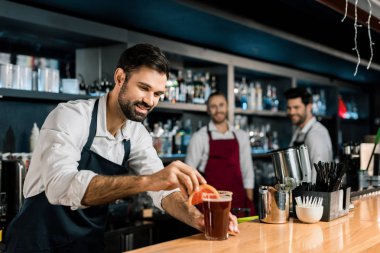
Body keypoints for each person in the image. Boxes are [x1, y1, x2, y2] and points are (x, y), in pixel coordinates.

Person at [4, 44, 239, 253]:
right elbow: (59, 186)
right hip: (35, 244)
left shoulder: (136, 134)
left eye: (158, 94)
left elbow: (164, 192)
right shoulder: (70, 116)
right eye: (143, 88)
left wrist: (197, 218)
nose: (150, 101)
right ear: (119, 77)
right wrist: (149, 181)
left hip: (87, 244)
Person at [185, 92, 255, 216]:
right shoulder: (199, 137)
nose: (218, 110)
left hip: (237, 200)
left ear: (227, 107)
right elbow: (188, 172)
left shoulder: (241, 135)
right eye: (213, 106)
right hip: (211, 201)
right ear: (208, 110)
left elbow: (247, 171)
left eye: (221, 105)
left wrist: (249, 201)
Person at [284, 87, 333, 182]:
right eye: (289, 108)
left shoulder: (316, 134)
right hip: (298, 193)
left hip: (309, 195)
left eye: (296, 107)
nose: (292, 112)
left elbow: (319, 176)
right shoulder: (299, 130)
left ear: (309, 106)